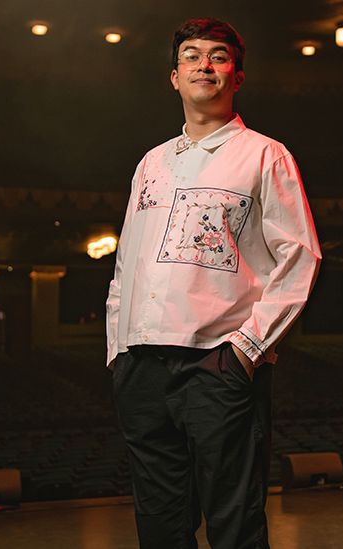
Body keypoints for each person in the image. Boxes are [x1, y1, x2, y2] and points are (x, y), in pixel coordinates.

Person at [105, 18, 321, 549]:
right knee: (159, 526)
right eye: (193, 55)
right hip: (142, 367)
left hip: (217, 363)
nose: (206, 65)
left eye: (219, 56)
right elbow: (125, 264)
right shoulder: (151, 163)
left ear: (237, 77)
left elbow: (300, 258)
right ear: (174, 77)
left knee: (235, 523)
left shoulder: (266, 155)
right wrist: (118, 350)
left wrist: (246, 351)